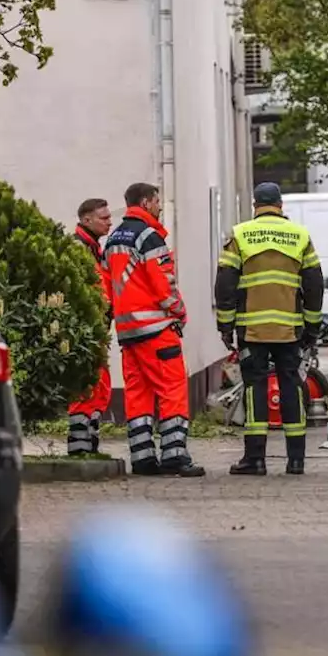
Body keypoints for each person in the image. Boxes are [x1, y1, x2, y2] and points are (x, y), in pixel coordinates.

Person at [215, 182, 323, 475]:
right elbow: (313, 285)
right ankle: (296, 460)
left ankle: (255, 459)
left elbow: (225, 282)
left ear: (255, 205)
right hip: (290, 329)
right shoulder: (300, 235)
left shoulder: (240, 234)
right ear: (280, 205)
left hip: (252, 329)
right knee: (292, 385)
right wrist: (312, 327)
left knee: (256, 388)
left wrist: (225, 324)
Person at [103, 183, 205, 477]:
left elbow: (110, 285)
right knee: (172, 388)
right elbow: (164, 284)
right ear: (146, 202)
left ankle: (143, 458)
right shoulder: (150, 236)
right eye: (157, 202)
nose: (160, 207)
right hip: (156, 328)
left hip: (128, 331)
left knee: (138, 394)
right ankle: (174, 456)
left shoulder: (113, 239)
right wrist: (179, 311)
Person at [67, 198, 115, 456]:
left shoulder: (92, 248)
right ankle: (80, 447)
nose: (109, 222)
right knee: (85, 387)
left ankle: (89, 444)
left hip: (95, 331)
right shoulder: (78, 249)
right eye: (104, 218)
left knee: (99, 386)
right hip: (84, 332)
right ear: (87, 220)